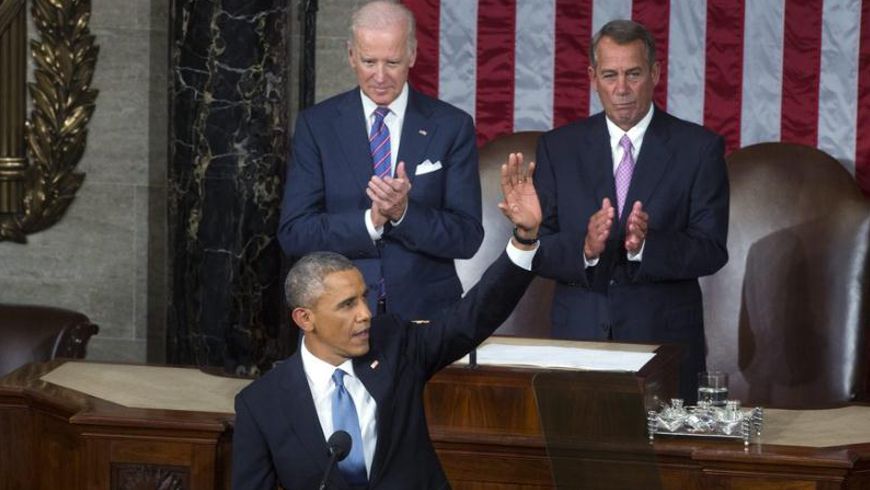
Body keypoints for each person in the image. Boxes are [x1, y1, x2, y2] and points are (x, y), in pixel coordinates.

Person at [232, 157, 541, 489]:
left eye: (363, 298)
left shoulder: (395, 344)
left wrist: (524, 239)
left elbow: (473, 317)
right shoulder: (261, 404)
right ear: (304, 318)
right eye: (347, 305)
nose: (365, 313)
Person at [529, 19, 729, 401]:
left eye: (633, 74)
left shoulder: (698, 149)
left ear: (654, 73)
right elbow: (540, 249)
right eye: (610, 75)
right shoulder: (558, 149)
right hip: (579, 343)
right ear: (592, 77)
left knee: (664, 461)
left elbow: (711, 249)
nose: (621, 89)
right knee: (578, 458)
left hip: (663, 346)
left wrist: (644, 247)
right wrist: (585, 248)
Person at [278, 0, 483, 320]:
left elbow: (467, 237)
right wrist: (370, 223)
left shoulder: (451, 126)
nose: (380, 76)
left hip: (427, 317)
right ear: (350, 56)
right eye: (369, 61)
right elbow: (295, 232)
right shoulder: (317, 126)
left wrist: (403, 213)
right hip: (338, 317)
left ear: (412, 55)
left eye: (393, 62)